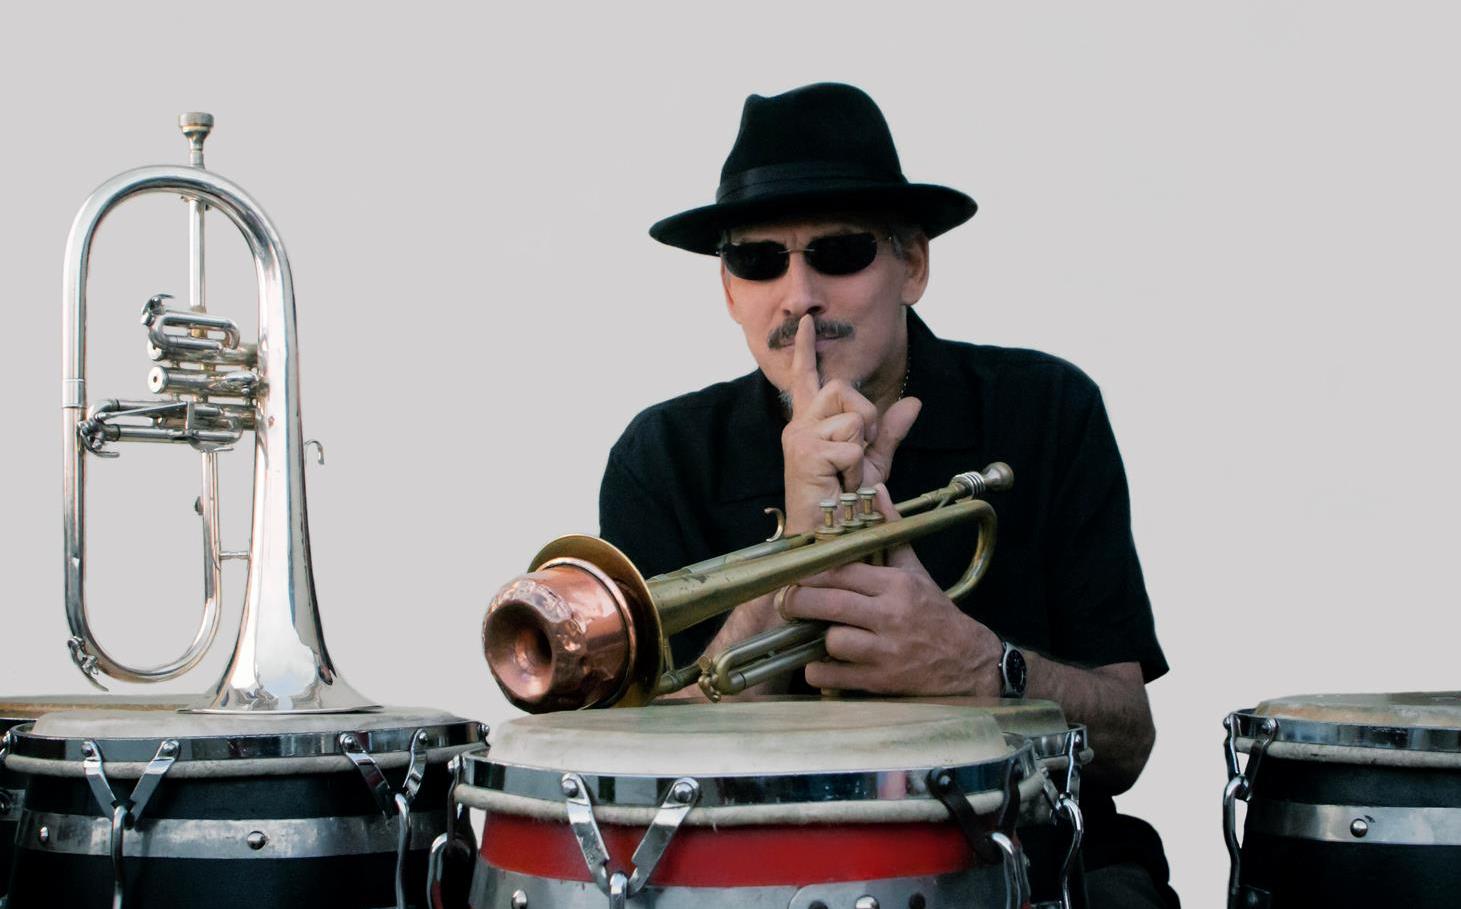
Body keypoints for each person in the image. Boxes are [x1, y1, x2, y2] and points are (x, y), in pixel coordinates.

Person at [598, 82, 1177, 908]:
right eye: (758, 261)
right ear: (728, 290)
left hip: (1029, 858)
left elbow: (1126, 741)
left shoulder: (1047, 410)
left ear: (913, 265)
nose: (798, 294)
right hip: (752, 876)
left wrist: (981, 666)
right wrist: (788, 563)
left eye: (838, 252)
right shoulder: (661, 455)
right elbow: (633, 769)